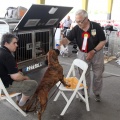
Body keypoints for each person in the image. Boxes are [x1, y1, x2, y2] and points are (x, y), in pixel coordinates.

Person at [59, 9, 106, 102]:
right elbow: (68, 40)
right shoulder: (76, 28)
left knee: (98, 74)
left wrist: (93, 51)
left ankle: (97, 93)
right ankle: (85, 93)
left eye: (80, 21)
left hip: (97, 53)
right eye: (77, 21)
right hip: (82, 53)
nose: (79, 23)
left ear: (86, 19)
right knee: (83, 75)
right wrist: (60, 41)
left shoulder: (96, 27)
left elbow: (103, 41)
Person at [0, 33, 38, 109]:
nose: (17, 45)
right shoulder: (7, 56)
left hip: (2, 82)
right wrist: (25, 78)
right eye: (14, 43)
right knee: (33, 84)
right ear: (6, 43)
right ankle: (22, 105)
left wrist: (21, 76)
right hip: (3, 88)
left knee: (20, 73)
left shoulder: (1, 51)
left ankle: (19, 95)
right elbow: (16, 77)